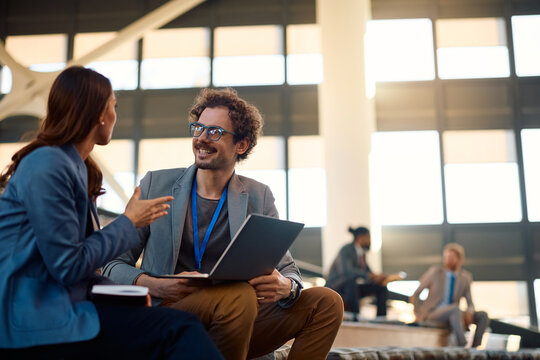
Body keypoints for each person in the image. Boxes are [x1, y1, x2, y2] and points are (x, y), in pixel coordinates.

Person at [103, 88, 344, 360]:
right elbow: (111, 265)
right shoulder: (155, 185)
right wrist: (157, 285)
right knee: (238, 296)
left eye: (215, 132)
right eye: (198, 128)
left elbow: (288, 269)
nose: (202, 138)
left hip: (238, 321)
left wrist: (286, 286)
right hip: (170, 312)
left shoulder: (258, 195)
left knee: (327, 303)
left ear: (241, 145)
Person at [0, 66, 222, 359]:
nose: (116, 115)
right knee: (180, 331)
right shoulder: (48, 165)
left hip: (61, 305)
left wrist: (130, 294)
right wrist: (129, 223)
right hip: (34, 318)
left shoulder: (74, 166)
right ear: (99, 115)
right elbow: (68, 265)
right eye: (113, 106)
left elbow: (75, 262)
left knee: (171, 328)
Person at [410, 243, 489, 348]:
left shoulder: (465, 278)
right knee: (455, 309)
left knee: (482, 315)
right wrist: (417, 313)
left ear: (459, 259)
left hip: (454, 314)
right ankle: (462, 344)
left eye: (451, 257)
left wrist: (470, 311)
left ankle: (475, 347)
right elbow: (416, 294)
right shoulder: (435, 272)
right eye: (446, 257)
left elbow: (470, 302)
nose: (448, 260)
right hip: (434, 312)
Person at [326, 226, 393, 320]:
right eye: (368, 237)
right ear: (360, 237)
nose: (370, 240)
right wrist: (370, 275)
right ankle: (355, 315)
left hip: (352, 288)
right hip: (337, 287)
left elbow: (367, 272)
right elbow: (347, 271)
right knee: (351, 280)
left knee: (380, 286)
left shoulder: (362, 254)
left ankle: (381, 317)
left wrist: (378, 277)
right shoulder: (346, 249)